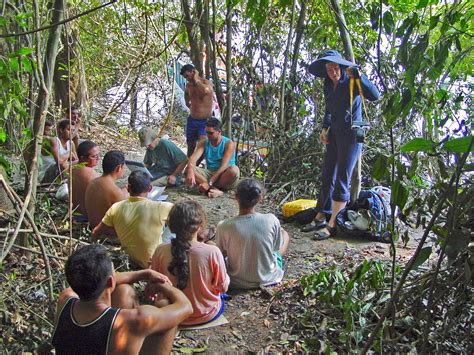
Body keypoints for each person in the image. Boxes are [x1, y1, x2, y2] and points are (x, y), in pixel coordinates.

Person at [52, 244, 193, 354]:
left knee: (124, 290)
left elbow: (109, 281)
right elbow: (186, 307)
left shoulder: (65, 299)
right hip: (129, 323)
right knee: (165, 305)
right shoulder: (132, 321)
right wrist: (164, 287)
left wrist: (144, 274)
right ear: (110, 282)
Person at [306, 50, 381, 240]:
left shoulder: (351, 82)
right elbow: (329, 110)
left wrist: (360, 77)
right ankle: (321, 215)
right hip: (335, 134)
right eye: (330, 68)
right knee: (327, 174)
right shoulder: (327, 85)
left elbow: (375, 95)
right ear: (325, 70)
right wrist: (325, 127)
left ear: (341, 67)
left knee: (342, 177)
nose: (334, 72)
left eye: (336, 67)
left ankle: (333, 224)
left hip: (352, 135)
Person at [151, 200, 229, 325]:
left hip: (172, 313)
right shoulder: (212, 251)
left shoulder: (160, 250)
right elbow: (222, 287)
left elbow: (154, 282)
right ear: (199, 227)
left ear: (171, 226)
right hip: (205, 313)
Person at [216, 179, 290, 289]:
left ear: (236, 197)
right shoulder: (271, 219)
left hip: (236, 281)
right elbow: (275, 248)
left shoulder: (224, 225)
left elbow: (222, 255)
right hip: (269, 278)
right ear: (260, 199)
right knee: (285, 234)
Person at [92, 171, 174, 268]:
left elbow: (95, 232)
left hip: (130, 260)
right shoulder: (162, 207)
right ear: (150, 188)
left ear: (128, 188)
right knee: (179, 221)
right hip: (154, 264)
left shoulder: (116, 208)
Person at [185, 118, 239, 198]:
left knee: (234, 170)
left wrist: (210, 182)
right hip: (210, 173)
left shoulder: (228, 143)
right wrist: (189, 169)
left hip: (224, 175)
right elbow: (193, 158)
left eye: (211, 133)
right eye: (206, 132)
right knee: (188, 169)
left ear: (219, 132)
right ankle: (214, 189)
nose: (208, 135)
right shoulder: (204, 142)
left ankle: (209, 187)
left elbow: (224, 166)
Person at [85, 150, 128, 231]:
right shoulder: (115, 192)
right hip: (109, 236)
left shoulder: (92, 182)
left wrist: (125, 190)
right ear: (119, 168)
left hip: (92, 227)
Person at [180, 64, 215, 157]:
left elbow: (206, 91)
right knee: (190, 145)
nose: (187, 78)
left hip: (204, 121)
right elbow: (186, 94)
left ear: (193, 72)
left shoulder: (206, 83)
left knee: (203, 145)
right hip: (192, 119)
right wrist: (187, 101)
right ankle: (190, 166)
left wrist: (196, 80)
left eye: (188, 76)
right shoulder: (188, 85)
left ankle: (195, 165)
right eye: (185, 77)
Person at [70, 141, 100, 218]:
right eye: (94, 156)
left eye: (98, 155)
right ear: (83, 158)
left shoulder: (72, 166)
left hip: (73, 211)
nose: (98, 158)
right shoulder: (91, 173)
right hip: (86, 216)